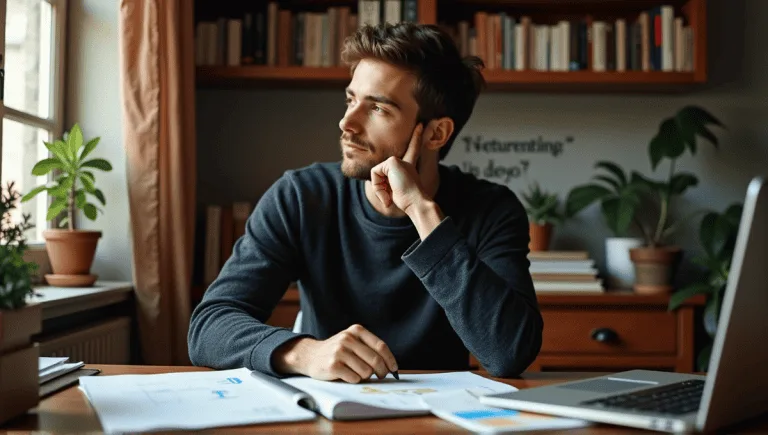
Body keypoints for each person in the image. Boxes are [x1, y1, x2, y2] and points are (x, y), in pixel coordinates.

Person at [188, 22, 543, 382]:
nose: (346, 122)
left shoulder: (492, 209)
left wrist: (422, 213)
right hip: (328, 414)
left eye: (378, 108)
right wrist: (305, 352)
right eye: (351, 99)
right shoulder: (301, 197)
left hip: (439, 418)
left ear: (436, 133)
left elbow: (509, 354)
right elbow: (209, 327)